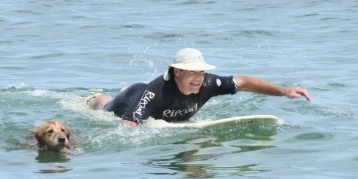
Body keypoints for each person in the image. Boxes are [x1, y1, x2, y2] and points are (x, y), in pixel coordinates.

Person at [88, 48, 311, 128]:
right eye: (192, 72)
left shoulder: (209, 83)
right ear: (177, 72)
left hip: (166, 110)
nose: (198, 78)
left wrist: (285, 91)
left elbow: (244, 82)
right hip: (133, 97)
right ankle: (99, 97)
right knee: (105, 107)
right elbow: (128, 125)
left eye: (201, 72)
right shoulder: (155, 93)